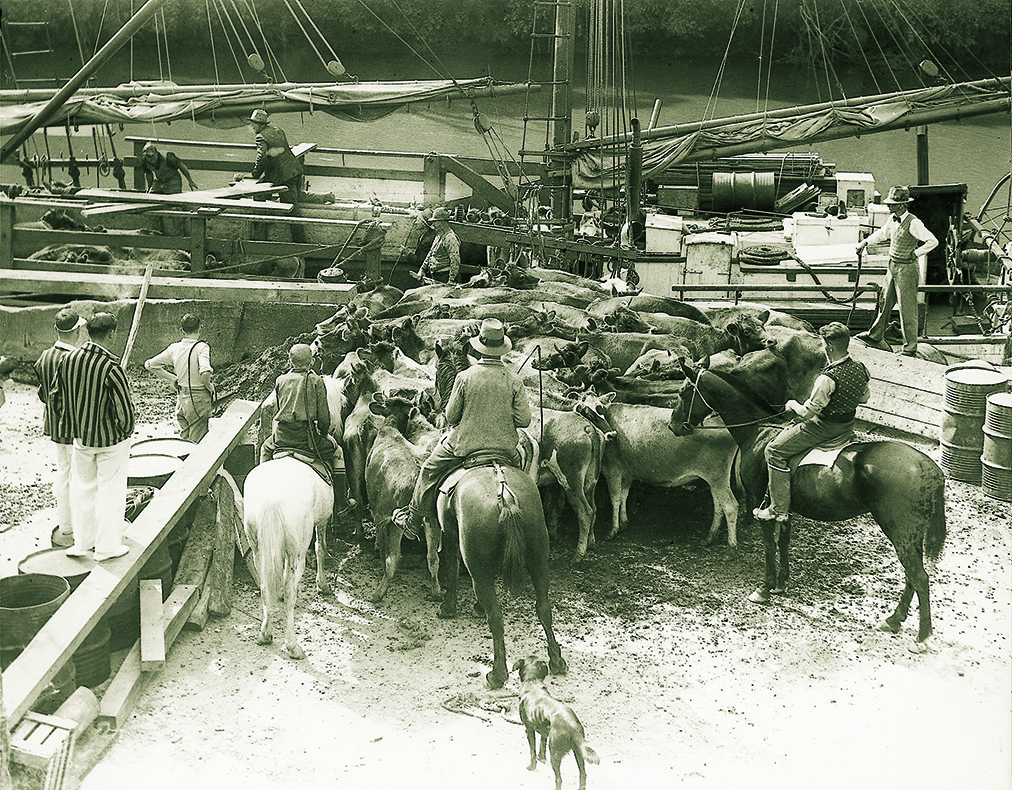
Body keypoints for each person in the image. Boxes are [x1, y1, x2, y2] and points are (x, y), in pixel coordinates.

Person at [392, 318, 531, 541]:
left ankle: (413, 521)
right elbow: (524, 420)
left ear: (479, 347)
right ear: (501, 348)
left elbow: (451, 416)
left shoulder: (464, 377)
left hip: (465, 445)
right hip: (506, 448)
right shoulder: (515, 380)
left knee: (428, 469)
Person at [754, 322, 870, 522]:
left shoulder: (826, 379)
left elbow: (807, 413)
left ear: (830, 347)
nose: (823, 348)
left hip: (823, 427)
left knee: (774, 451)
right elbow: (864, 398)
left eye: (824, 344)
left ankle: (778, 509)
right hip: (847, 425)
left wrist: (792, 404)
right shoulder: (860, 368)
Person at [55, 312, 136, 561]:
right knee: (110, 491)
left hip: (81, 440)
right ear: (111, 334)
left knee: (83, 490)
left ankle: (82, 543)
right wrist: (125, 431)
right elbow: (124, 410)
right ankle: (106, 548)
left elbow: (57, 398)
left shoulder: (67, 360)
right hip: (111, 441)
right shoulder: (111, 368)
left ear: (88, 332)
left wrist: (75, 427)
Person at [854, 185, 938, 357]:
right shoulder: (892, 218)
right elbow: (882, 234)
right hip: (892, 265)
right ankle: (875, 335)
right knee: (885, 302)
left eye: (891, 204)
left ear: (901, 205)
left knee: (907, 309)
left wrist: (915, 253)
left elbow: (932, 241)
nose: (888, 206)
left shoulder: (914, 222)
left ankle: (909, 348)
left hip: (907, 269)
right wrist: (864, 243)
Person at [34, 307, 86, 547]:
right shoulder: (76, 358)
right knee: (82, 477)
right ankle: (82, 525)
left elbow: (43, 393)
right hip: (76, 426)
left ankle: (66, 526)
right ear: (76, 331)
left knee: (63, 472)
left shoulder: (44, 356)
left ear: (56, 330)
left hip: (55, 426)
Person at [260, 343, 339, 468]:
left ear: (290, 362)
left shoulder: (280, 380)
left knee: (264, 449)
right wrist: (324, 434)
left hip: (282, 438)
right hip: (307, 441)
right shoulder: (316, 381)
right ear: (312, 362)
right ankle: (341, 488)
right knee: (337, 452)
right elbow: (324, 418)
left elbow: (280, 409)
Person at [144, 314, 215, 442]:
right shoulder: (202, 347)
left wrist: (173, 378)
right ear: (200, 328)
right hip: (198, 400)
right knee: (197, 442)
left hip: (182, 400)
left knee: (185, 439)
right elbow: (205, 371)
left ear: (181, 330)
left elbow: (149, 364)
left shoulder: (174, 348)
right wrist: (209, 386)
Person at [248, 108, 304, 204]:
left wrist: (255, 175)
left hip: (284, 175)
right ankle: (325, 197)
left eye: (253, 123)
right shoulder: (277, 130)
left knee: (289, 206)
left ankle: (263, 214)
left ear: (259, 125)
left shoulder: (260, 137)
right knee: (296, 197)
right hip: (295, 169)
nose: (251, 126)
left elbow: (262, 158)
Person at [413, 207, 461, 284]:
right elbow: (431, 253)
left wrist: (451, 280)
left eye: (435, 222)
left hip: (445, 277)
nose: (433, 224)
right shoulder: (439, 235)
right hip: (436, 276)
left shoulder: (450, 238)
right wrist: (422, 269)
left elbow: (455, 261)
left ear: (442, 222)